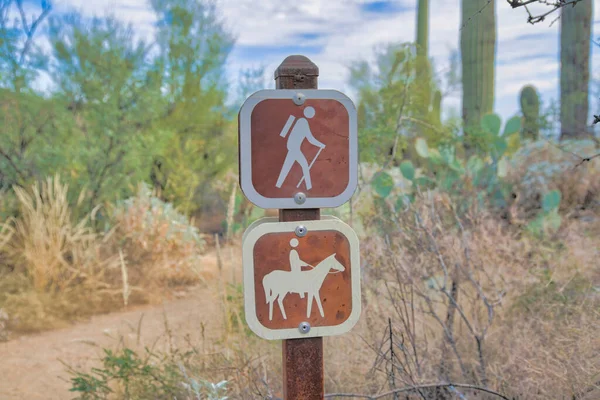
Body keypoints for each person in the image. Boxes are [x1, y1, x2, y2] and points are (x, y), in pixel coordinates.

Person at [275, 106, 325, 190]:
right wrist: (321, 145)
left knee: (287, 167)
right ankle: (309, 187)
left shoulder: (300, 120)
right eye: (312, 113)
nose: (313, 115)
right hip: (294, 148)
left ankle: (278, 185)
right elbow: (310, 138)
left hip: (292, 147)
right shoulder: (303, 122)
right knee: (303, 165)